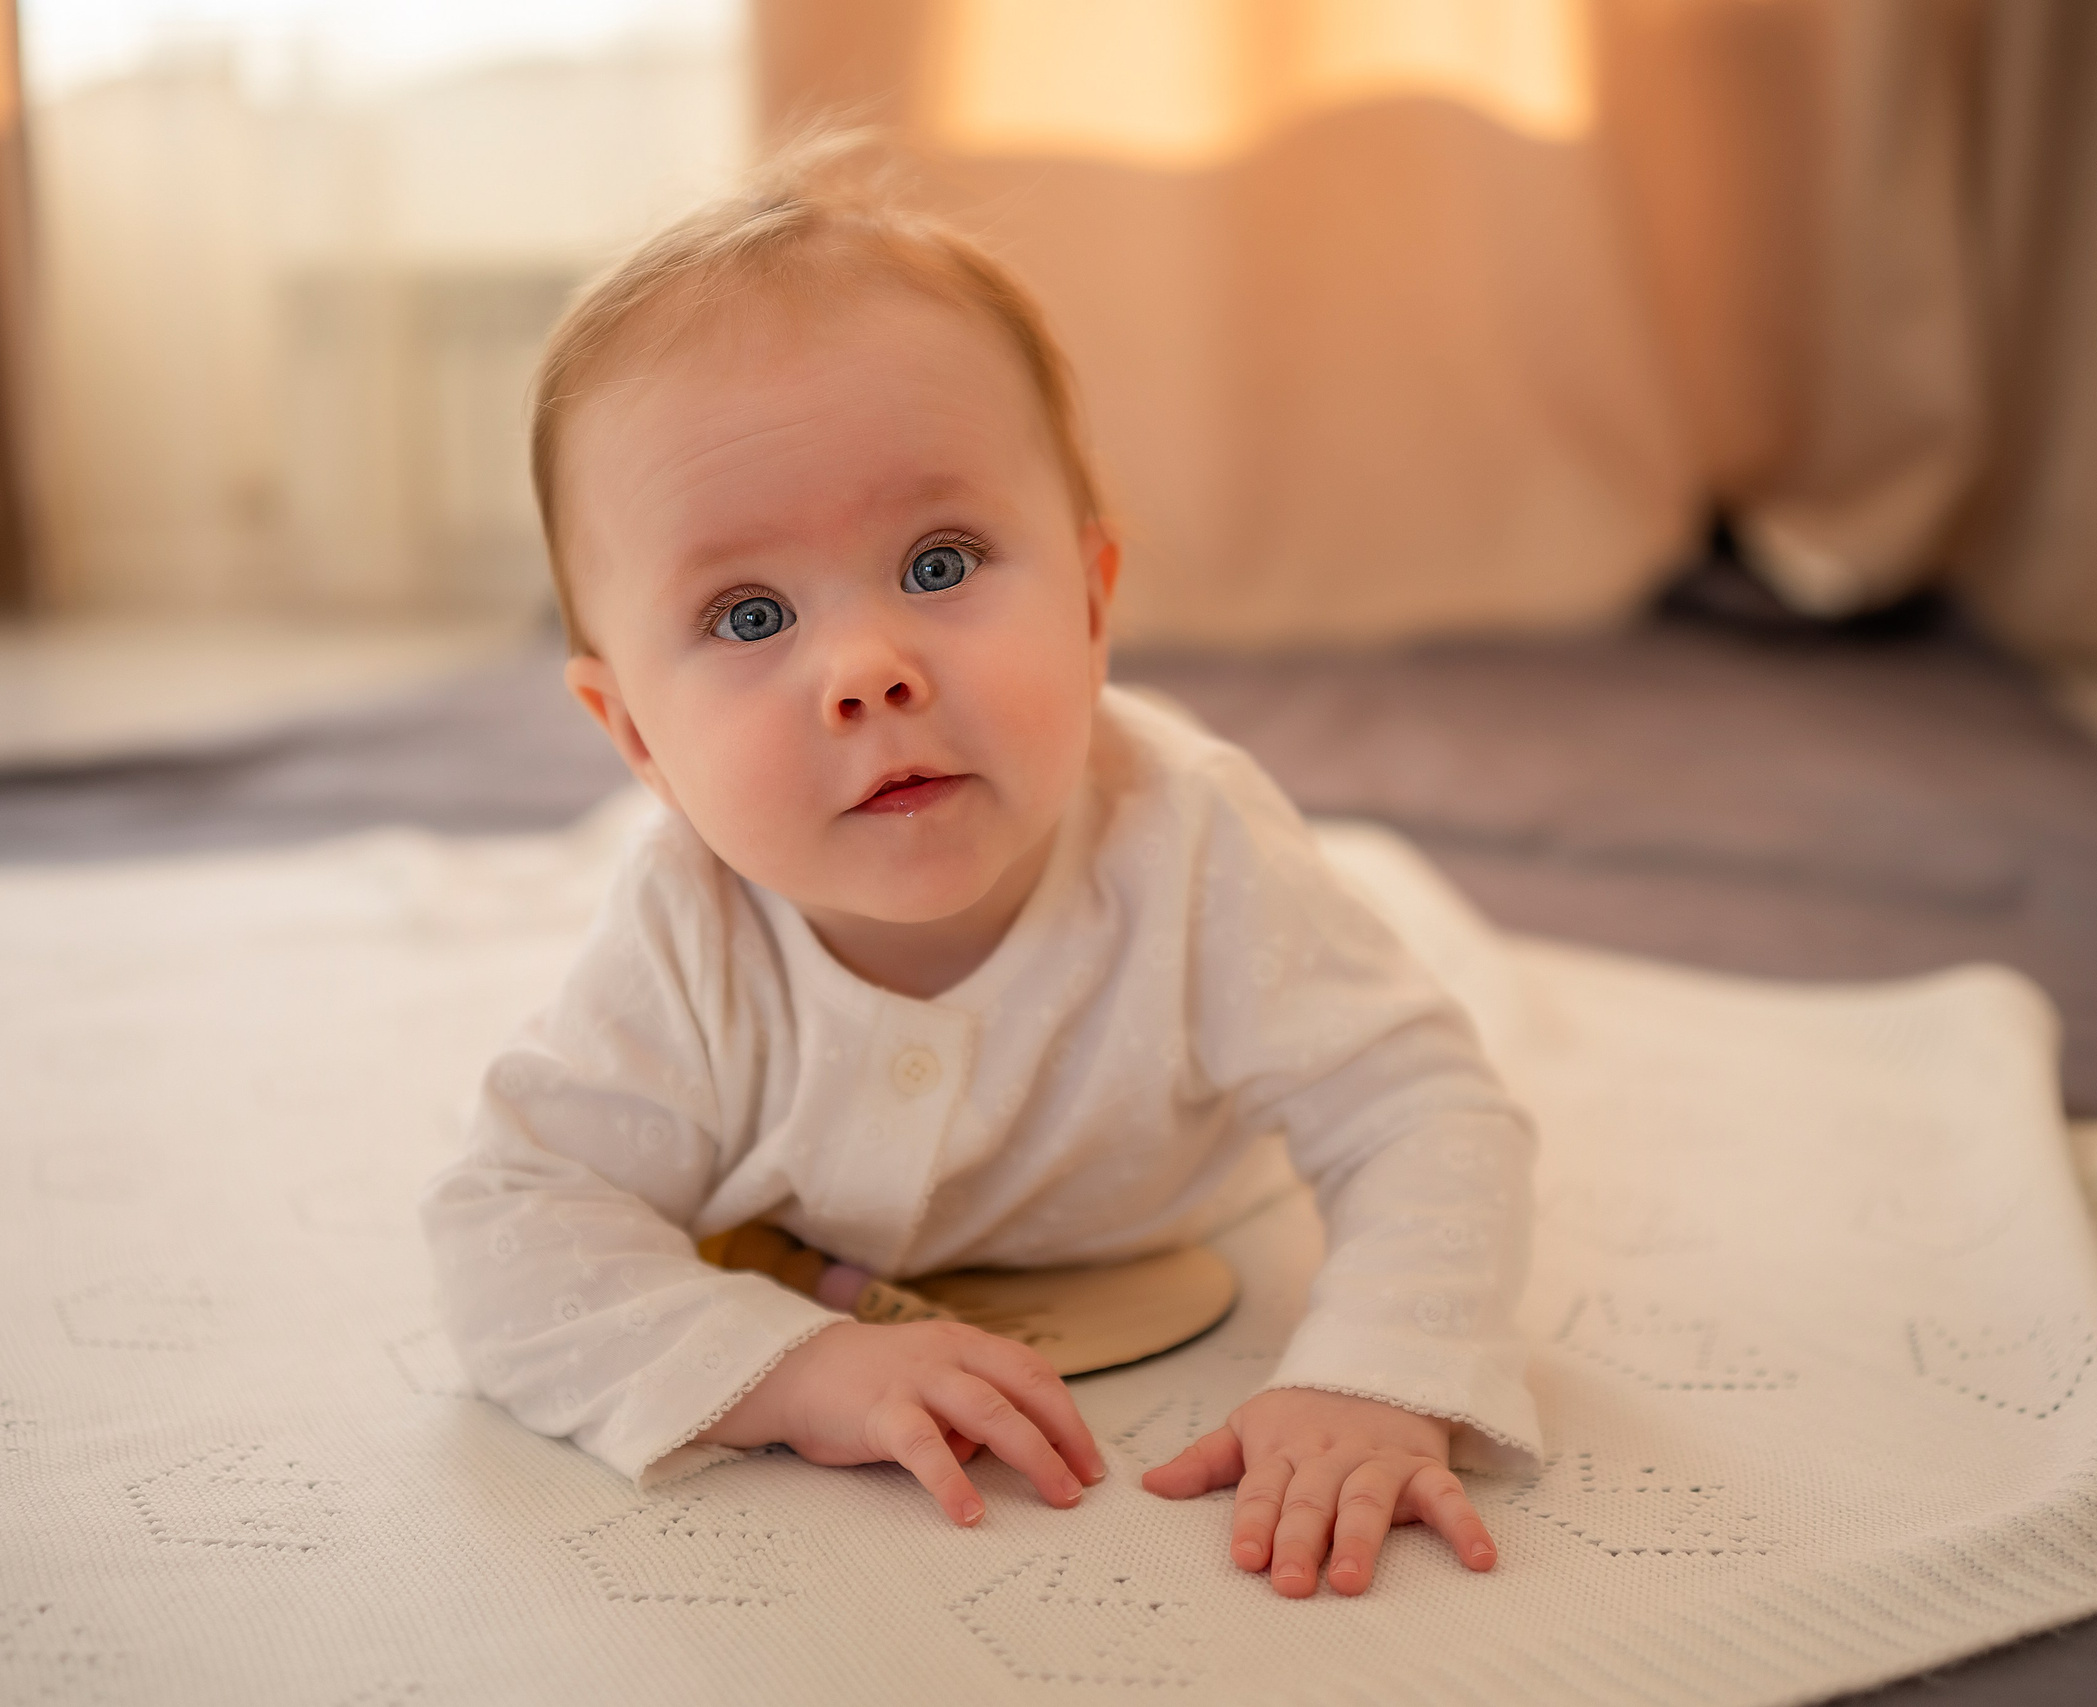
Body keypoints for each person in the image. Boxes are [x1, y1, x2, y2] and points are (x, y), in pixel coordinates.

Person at [421, 137, 1540, 1600]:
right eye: (749, 616)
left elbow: (1424, 1113)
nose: (868, 670)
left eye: (940, 566)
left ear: (1090, 598)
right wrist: (786, 1372)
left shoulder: (1194, 850)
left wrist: (1383, 1370)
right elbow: (508, 1222)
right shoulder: (686, 928)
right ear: (630, 730)